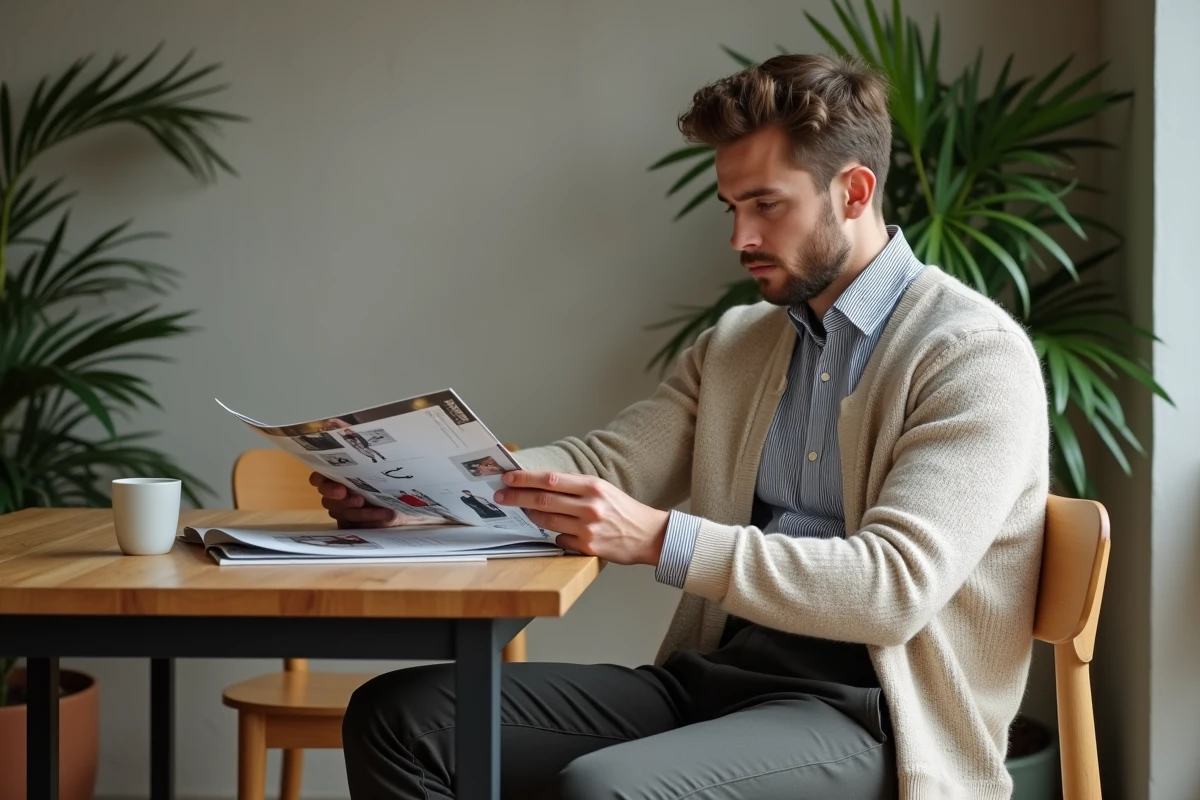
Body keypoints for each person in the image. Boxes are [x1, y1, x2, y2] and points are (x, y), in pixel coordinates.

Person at [311, 53, 1048, 800]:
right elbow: (609, 462)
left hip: (877, 716)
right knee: (401, 718)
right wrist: (420, 491)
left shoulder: (969, 356)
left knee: (606, 789)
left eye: (766, 205)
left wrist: (661, 538)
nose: (741, 238)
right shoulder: (740, 343)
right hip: (716, 680)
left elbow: (894, 588)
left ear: (853, 192)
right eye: (732, 208)